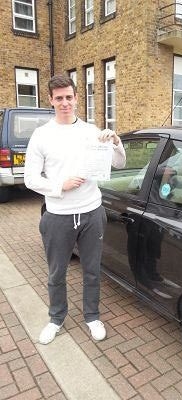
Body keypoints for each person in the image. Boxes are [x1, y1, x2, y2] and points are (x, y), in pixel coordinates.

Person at [24, 74, 126, 345]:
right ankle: (56, 318)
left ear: (77, 98)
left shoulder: (91, 132)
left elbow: (118, 163)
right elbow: (30, 178)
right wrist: (61, 185)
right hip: (58, 215)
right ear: (50, 100)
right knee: (57, 272)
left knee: (92, 270)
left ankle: (92, 316)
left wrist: (115, 141)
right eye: (59, 98)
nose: (65, 102)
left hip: (92, 213)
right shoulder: (42, 135)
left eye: (69, 97)